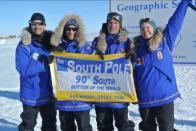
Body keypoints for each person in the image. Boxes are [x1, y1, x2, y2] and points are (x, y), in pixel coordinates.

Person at [129, 0, 192, 131]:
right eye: (142, 28)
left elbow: (176, 21)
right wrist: (132, 94)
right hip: (145, 99)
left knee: (167, 128)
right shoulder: (135, 48)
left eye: (148, 27)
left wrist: (184, 3)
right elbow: (130, 74)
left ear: (153, 28)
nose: (145, 30)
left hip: (165, 97)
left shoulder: (165, 40)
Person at [91, 12, 135, 131]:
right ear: (106, 24)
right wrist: (94, 55)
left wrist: (132, 58)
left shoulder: (127, 42)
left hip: (119, 95)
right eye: (110, 22)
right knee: (104, 126)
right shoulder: (97, 41)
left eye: (116, 23)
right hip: (101, 95)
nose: (112, 25)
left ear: (120, 25)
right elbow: (87, 62)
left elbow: (132, 66)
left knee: (123, 126)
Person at [50, 15, 93, 131]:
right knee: (66, 127)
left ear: (78, 31)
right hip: (64, 99)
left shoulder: (85, 47)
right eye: (68, 29)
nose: (71, 32)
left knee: (84, 127)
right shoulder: (57, 48)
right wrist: (52, 57)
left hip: (81, 100)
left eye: (74, 29)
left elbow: (93, 67)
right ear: (64, 30)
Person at [15, 13, 57, 131]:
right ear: (30, 25)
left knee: (50, 125)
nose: (37, 27)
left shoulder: (50, 43)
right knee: (28, 126)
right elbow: (22, 69)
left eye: (40, 24)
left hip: (49, 94)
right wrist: (43, 64)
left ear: (44, 25)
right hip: (31, 95)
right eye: (34, 24)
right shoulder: (24, 45)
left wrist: (60, 51)